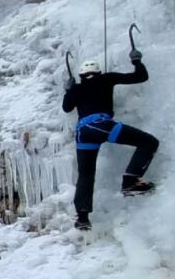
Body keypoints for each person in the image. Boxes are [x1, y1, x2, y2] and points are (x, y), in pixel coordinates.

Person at [62, 49, 160, 230]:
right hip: (101, 124)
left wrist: (68, 90)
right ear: (98, 72)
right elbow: (140, 77)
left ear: (82, 75)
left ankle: (82, 218)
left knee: (86, 174)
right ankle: (131, 181)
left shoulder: (78, 88)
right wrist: (137, 60)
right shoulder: (106, 78)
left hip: (83, 131)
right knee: (149, 142)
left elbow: (67, 108)